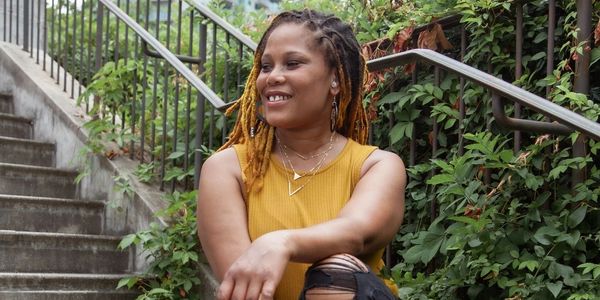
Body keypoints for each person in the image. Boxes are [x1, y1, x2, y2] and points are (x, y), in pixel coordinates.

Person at [197, 8, 406, 300]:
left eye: (292, 63)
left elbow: (356, 232)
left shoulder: (376, 166)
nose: (272, 77)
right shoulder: (228, 169)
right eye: (266, 66)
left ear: (335, 79)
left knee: (336, 270)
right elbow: (245, 287)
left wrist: (282, 243)